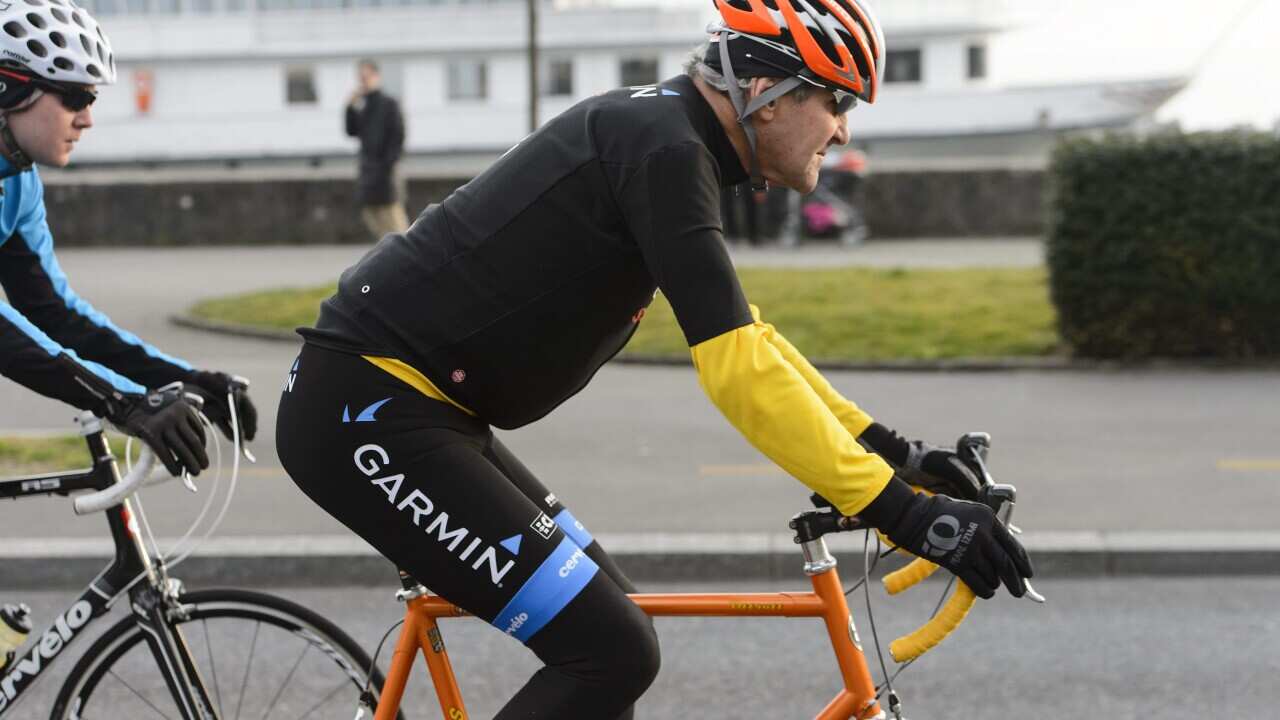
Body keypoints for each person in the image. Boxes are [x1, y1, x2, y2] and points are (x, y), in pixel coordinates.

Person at [276, 1, 1032, 717]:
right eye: (838, 103)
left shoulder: (672, 138)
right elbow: (735, 370)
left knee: (614, 640)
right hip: (369, 413)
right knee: (610, 650)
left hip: (428, 411)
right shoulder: (665, 146)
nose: (841, 132)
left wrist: (898, 457)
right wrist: (904, 514)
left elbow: (752, 340)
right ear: (768, 94)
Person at [0, 2, 257, 479]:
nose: (87, 119)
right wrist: (125, 401)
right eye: (75, 97)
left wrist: (180, 378)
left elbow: (54, 312)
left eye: (92, 100)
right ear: (9, 89)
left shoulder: (17, 180)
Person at [345, 58, 407, 240]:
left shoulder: (389, 104)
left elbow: (398, 138)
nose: (363, 81)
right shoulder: (364, 105)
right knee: (373, 219)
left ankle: (406, 261)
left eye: (367, 76)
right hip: (368, 171)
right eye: (361, 77)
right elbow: (351, 130)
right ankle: (390, 260)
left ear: (376, 76)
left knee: (395, 222)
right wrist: (349, 106)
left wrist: (388, 165)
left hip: (385, 172)